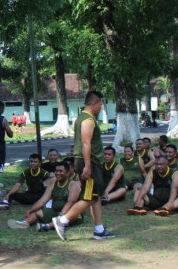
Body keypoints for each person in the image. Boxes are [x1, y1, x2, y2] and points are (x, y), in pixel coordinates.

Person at [52, 90, 115, 241]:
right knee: (90, 197)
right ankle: (63, 221)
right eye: (100, 103)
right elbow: (86, 143)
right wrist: (87, 166)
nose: (100, 107)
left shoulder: (80, 118)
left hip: (90, 161)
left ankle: (99, 229)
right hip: (90, 162)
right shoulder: (88, 120)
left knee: (96, 196)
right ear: (93, 103)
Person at [7, 161, 82, 231]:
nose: (58, 173)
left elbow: (71, 202)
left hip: (70, 213)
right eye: (56, 171)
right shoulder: (53, 185)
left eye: (61, 171)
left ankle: (47, 226)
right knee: (37, 213)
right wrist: (30, 210)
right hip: (55, 211)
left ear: (68, 172)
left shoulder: (73, 185)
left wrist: (63, 212)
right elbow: (42, 201)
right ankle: (24, 223)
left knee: (64, 218)